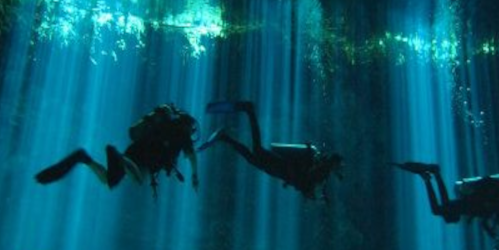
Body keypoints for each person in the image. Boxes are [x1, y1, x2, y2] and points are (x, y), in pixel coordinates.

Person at [34, 103, 199, 196]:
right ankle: (120, 158)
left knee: (109, 181)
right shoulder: (182, 135)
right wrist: (195, 175)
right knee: (138, 179)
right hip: (144, 157)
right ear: (188, 126)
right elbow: (191, 156)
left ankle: (84, 158)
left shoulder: (167, 128)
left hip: (134, 151)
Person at [199, 100, 342, 201]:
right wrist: (312, 193)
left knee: (253, 157)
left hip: (282, 170)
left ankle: (225, 136)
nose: (340, 170)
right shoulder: (323, 170)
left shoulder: (323, 172)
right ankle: (248, 112)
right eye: (339, 166)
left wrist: (319, 194)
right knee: (257, 151)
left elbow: (309, 182)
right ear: (334, 164)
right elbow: (308, 179)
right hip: (282, 167)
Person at [392, 161, 499, 237]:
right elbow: (485, 182)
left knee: (447, 213)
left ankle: (433, 176)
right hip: (468, 201)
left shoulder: (497, 207)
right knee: (438, 210)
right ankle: (431, 177)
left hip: (467, 206)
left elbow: (488, 222)